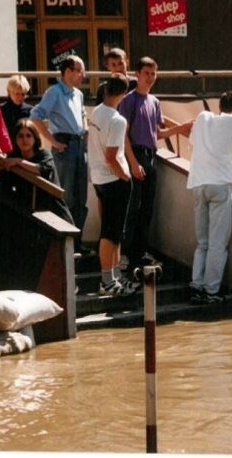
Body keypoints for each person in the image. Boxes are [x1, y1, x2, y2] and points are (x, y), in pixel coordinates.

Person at [117, 56, 192, 284]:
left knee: (147, 209)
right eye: (146, 73)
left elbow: (156, 132)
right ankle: (126, 257)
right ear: (137, 74)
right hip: (136, 155)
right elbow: (123, 134)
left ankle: (139, 253)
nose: (150, 78)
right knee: (133, 209)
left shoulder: (154, 101)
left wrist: (180, 129)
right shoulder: (128, 101)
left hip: (151, 156)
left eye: (153, 74)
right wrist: (132, 163)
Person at [187, 91, 232, 304]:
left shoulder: (203, 118)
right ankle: (211, 291)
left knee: (202, 241)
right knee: (218, 242)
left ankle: (195, 285)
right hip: (220, 184)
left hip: (198, 183)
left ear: (219, 106)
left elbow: (192, 144)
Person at [30, 55, 90, 252]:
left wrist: (86, 130)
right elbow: (36, 116)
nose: (83, 75)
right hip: (65, 144)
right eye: (80, 70)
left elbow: (82, 115)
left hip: (80, 145)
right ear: (68, 71)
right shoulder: (54, 92)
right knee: (67, 195)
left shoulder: (78, 94)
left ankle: (78, 243)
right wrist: (52, 141)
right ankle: (68, 245)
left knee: (81, 198)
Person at [87, 73, 136, 297]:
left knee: (114, 231)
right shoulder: (117, 120)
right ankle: (107, 280)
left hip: (98, 178)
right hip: (113, 180)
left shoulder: (96, 111)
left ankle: (114, 277)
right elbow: (111, 156)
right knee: (111, 232)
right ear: (123, 95)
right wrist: (125, 176)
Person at [1, 118, 74, 223]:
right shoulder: (13, 157)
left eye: (28, 135)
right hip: (29, 214)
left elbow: (42, 170)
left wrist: (19, 162)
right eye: (20, 136)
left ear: (35, 138)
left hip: (54, 213)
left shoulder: (44, 155)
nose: (24, 140)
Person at [0, 74, 33, 145]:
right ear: (9, 92)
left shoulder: (30, 110)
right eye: (17, 94)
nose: (20, 97)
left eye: (23, 94)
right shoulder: (0, 110)